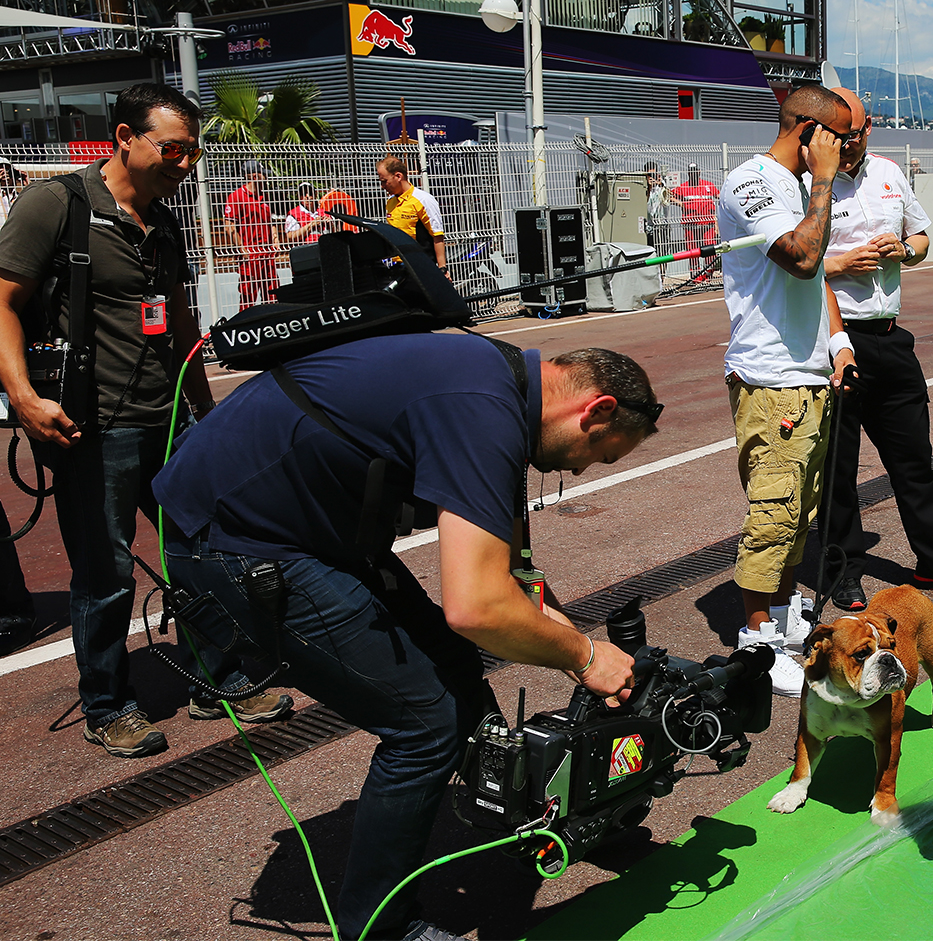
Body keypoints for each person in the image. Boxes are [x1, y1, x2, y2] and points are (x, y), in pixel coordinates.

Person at [153, 335, 658, 940]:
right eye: (597, 453)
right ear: (596, 409)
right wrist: (586, 655)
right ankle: (379, 929)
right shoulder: (483, 411)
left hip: (314, 533)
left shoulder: (502, 382)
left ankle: (535, 826)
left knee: (456, 676)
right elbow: (476, 608)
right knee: (426, 725)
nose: (578, 469)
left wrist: (571, 641)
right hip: (235, 541)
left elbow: (515, 578)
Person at [0, 83, 290, 759]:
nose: (184, 164)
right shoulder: (58, 205)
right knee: (104, 577)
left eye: (192, 152)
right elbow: (4, 301)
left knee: (205, 553)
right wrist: (23, 397)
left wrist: (206, 417)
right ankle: (108, 705)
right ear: (123, 139)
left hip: (172, 426)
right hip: (91, 428)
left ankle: (217, 680)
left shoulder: (163, 221)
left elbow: (181, 323)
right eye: (172, 149)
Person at [818, 87, 933, 611]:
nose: (846, 147)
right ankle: (842, 569)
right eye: (837, 138)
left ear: (868, 130)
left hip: (892, 338)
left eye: (854, 137)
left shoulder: (891, 174)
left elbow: (921, 237)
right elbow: (790, 266)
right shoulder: (812, 183)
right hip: (836, 338)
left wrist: (906, 251)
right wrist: (840, 264)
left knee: (915, 460)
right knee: (839, 468)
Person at [714, 84, 856, 697]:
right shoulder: (752, 182)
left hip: (808, 376)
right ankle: (757, 635)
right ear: (808, 132)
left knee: (802, 511)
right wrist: (823, 179)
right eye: (841, 139)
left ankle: (786, 608)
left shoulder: (801, 187)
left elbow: (817, 276)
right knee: (772, 515)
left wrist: (837, 341)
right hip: (770, 379)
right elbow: (800, 256)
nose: (849, 150)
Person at [224, 159, 279, 309]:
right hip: (250, 256)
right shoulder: (236, 197)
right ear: (254, 176)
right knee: (248, 297)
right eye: (263, 174)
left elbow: (272, 221)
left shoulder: (265, 196)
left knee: (273, 295)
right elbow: (229, 227)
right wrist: (243, 250)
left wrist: (275, 241)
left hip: (267, 255)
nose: (266, 178)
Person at [377, 155, 447, 273]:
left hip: (421, 265)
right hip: (399, 266)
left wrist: (442, 268)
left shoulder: (423, 200)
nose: (382, 186)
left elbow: (437, 236)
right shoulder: (391, 202)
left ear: (398, 176)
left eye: (384, 181)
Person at [672, 162, 720, 254]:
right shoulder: (683, 187)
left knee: (710, 249)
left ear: (699, 172)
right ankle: (695, 268)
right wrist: (681, 204)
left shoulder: (708, 186)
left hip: (708, 224)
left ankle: (711, 268)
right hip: (691, 225)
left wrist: (716, 223)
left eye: (695, 172)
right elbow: (669, 196)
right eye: (691, 172)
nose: (694, 174)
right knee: (692, 251)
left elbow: (719, 196)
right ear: (688, 173)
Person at [643, 160, 676, 258]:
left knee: (663, 253)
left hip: (662, 225)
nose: (652, 177)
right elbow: (644, 202)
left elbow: (667, 198)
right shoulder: (643, 186)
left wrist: (659, 184)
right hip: (650, 226)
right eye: (649, 174)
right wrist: (649, 187)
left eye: (654, 174)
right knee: (651, 253)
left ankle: (663, 273)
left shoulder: (662, 184)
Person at [283, 181, 328, 245]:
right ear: (299, 197)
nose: (307, 196)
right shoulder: (293, 214)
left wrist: (330, 224)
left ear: (315, 195)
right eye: (303, 194)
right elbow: (290, 237)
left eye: (310, 193)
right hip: (306, 249)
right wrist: (311, 225)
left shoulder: (324, 212)